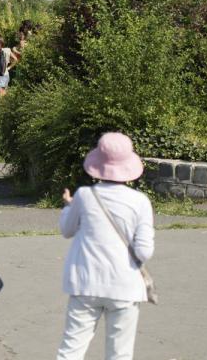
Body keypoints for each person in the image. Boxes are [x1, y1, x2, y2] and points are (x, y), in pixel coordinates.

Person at [55, 132, 155, 360]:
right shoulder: (140, 202)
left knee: (71, 350)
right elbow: (144, 251)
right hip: (124, 286)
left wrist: (69, 207)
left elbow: (67, 230)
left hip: (85, 283)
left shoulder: (84, 195)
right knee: (119, 354)